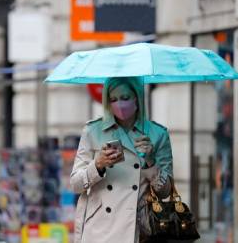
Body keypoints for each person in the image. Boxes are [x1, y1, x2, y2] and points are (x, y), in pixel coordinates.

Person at [70, 77, 173, 243]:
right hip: (99, 230)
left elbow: (166, 191)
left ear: (137, 99)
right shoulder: (93, 131)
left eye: (125, 98)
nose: (120, 105)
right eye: (113, 99)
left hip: (139, 231)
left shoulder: (157, 134)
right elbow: (75, 184)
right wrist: (98, 165)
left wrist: (150, 162)